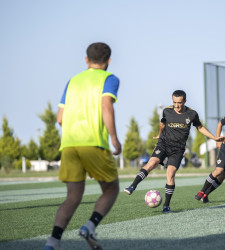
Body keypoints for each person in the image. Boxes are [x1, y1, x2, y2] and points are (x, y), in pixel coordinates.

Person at [44, 42, 122, 250]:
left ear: (86, 60)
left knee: (73, 197)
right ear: (109, 61)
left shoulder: (73, 81)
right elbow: (106, 105)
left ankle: (52, 242)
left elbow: (60, 118)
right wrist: (114, 137)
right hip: (93, 143)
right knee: (111, 188)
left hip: (69, 146)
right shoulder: (109, 79)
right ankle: (89, 226)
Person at [123, 90, 224, 213]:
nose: (177, 105)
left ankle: (166, 205)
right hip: (163, 144)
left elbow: (200, 127)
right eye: (174, 102)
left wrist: (214, 138)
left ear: (185, 101)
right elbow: (162, 124)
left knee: (170, 173)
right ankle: (132, 186)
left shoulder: (192, 114)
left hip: (178, 149)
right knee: (151, 163)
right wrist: (159, 135)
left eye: (180, 103)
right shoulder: (167, 111)